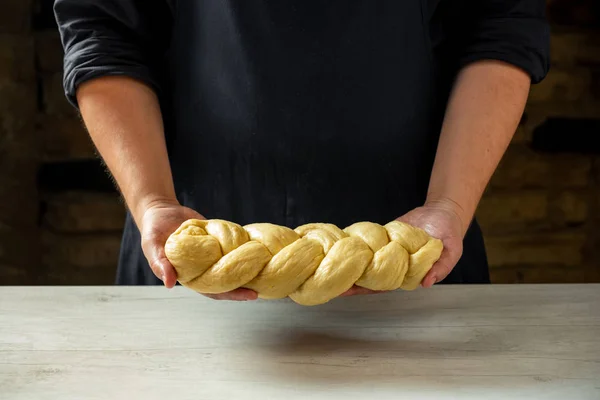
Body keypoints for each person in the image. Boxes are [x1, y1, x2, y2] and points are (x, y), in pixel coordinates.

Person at [54, 1, 550, 300]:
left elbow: (501, 26)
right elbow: (102, 29)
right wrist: (152, 201)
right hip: (190, 250)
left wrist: (449, 205)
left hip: (416, 253)